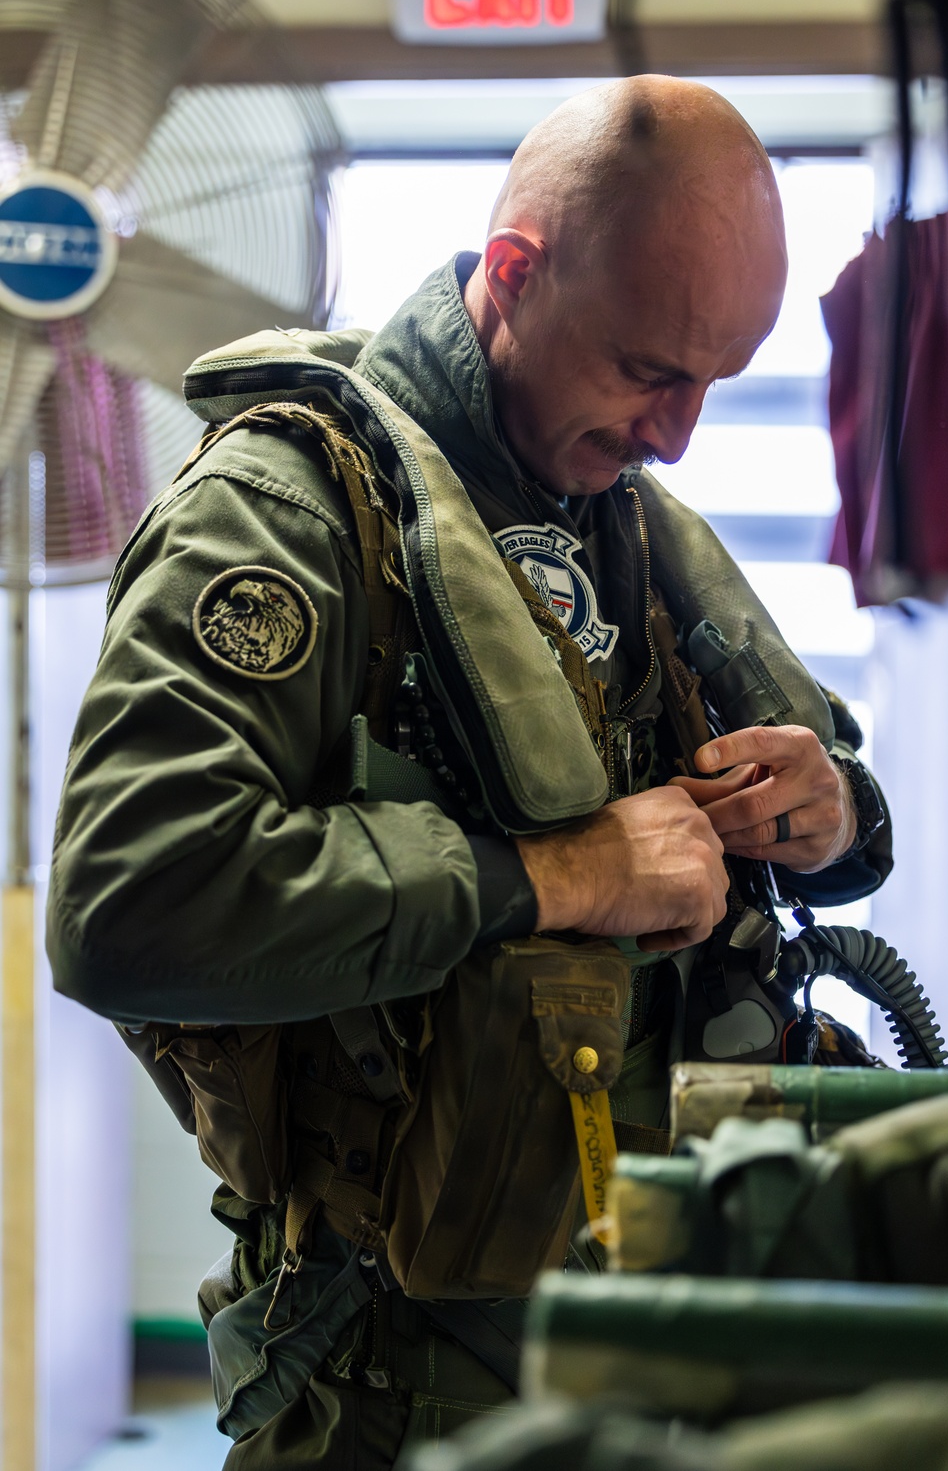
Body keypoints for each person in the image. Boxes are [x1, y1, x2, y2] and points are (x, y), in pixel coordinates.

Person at [46, 76, 891, 1469]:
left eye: (715, 383)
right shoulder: (282, 514)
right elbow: (131, 898)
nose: (679, 433)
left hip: (659, 1324)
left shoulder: (615, 509)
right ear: (511, 273)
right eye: (647, 371)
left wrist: (827, 806)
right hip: (397, 1374)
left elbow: (843, 803)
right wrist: (558, 875)